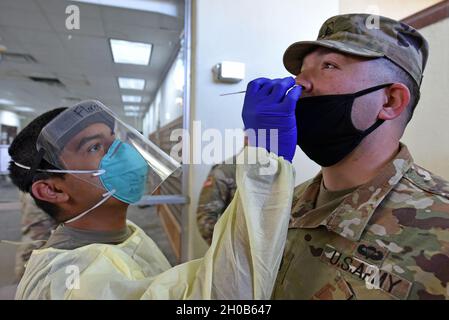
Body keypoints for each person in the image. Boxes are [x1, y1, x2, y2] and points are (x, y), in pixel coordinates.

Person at [242, 14, 449, 300]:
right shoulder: (284, 204)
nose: (299, 83)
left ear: (390, 101)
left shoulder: (442, 227)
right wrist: (259, 157)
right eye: (302, 70)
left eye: (328, 66)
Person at [8, 100, 296, 299]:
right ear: (53, 190)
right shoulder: (73, 282)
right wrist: (264, 166)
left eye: (114, 139)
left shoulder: (123, 237)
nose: (122, 152)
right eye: (96, 146)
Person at [14, 192, 57, 281]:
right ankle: (27, 278)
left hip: (40, 189)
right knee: (38, 234)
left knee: (38, 233)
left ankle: (26, 276)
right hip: (41, 189)